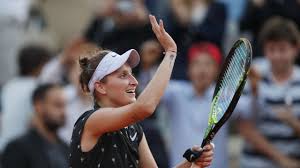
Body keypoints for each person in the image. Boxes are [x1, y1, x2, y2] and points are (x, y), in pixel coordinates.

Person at [69, 15, 214, 168]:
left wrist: (191, 162)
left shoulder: (134, 129)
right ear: (100, 86)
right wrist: (170, 52)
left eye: (132, 74)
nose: (135, 81)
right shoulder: (92, 120)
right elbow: (145, 107)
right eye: (123, 75)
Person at [237, 17, 300, 168]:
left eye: (282, 49)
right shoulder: (252, 73)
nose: (277, 56)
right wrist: (281, 159)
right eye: (272, 49)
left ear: (296, 49)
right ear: (264, 49)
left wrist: (294, 124)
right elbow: (244, 127)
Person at [160, 42, 228, 168]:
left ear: (217, 70)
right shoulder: (175, 91)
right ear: (188, 69)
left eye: (208, 64)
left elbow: (251, 113)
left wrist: (255, 90)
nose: (202, 70)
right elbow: (148, 96)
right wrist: (149, 66)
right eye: (197, 63)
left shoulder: (226, 96)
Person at [1, 83, 69, 168]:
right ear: (39, 106)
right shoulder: (18, 148)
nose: (63, 112)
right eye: (57, 105)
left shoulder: (66, 148)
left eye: (64, 106)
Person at [0, 45, 52, 152]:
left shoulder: (10, 85)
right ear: (40, 66)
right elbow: (35, 123)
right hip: (21, 151)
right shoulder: (37, 88)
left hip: (3, 145)